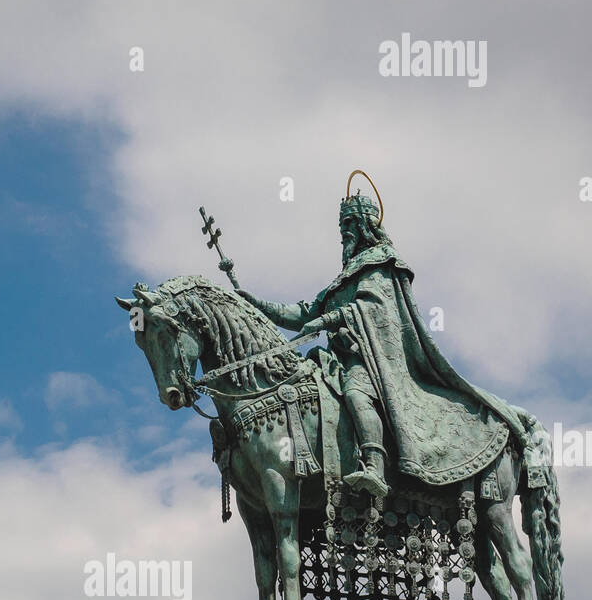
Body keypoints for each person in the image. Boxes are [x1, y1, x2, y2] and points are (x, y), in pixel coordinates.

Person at [226, 184, 528, 498]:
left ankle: (374, 466)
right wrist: (256, 303)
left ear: (364, 226)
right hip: (336, 361)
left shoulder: (382, 262)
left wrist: (328, 320)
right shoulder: (342, 277)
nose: (343, 234)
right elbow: (301, 313)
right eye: (341, 228)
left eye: (348, 227)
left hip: (371, 362)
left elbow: (372, 307)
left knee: (356, 394)